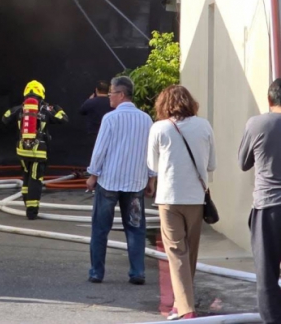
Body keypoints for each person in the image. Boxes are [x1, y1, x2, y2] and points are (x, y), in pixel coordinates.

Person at [148, 85, 216, 321]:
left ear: (163, 104)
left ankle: (185, 308)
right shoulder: (204, 126)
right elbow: (211, 164)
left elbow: (152, 165)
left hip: (169, 197)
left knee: (177, 252)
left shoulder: (159, 128)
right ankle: (182, 302)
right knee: (190, 251)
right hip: (196, 197)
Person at [86, 75, 155, 285]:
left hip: (109, 181)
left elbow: (100, 150)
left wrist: (93, 175)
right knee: (135, 228)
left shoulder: (110, 118)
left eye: (112, 93)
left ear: (121, 94)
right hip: (135, 183)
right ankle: (137, 272)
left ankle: (97, 273)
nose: (109, 97)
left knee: (100, 228)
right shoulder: (146, 119)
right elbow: (151, 153)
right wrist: (151, 179)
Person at [238, 78, 281, 324]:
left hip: (268, 206)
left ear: (269, 99)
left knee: (267, 274)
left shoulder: (257, 124)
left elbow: (243, 163)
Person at [2, 80, 68, 220]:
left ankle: (27, 204)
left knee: (26, 176)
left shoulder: (20, 108)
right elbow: (63, 119)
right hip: (39, 150)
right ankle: (32, 212)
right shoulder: (45, 109)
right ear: (41, 93)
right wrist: (58, 108)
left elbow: (5, 118)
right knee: (35, 179)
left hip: (22, 150)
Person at [79, 81, 111, 184]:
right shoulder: (111, 102)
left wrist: (89, 100)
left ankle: (93, 178)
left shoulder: (91, 102)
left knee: (95, 156)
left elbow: (81, 111)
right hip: (109, 134)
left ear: (96, 90)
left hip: (93, 133)